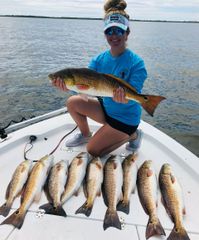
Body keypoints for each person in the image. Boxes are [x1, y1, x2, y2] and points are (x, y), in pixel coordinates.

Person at [52, 0, 147, 157]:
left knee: (93, 150)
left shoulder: (137, 63)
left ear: (127, 33)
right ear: (105, 34)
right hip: (106, 109)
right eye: (109, 31)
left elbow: (133, 94)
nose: (114, 36)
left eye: (119, 31)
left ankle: (133, 135)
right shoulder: (98, 60)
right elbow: (85, 86)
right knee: (72, 102)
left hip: (125, 119)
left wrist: (125, 99)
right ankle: (85, 134)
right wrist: (68, 86)